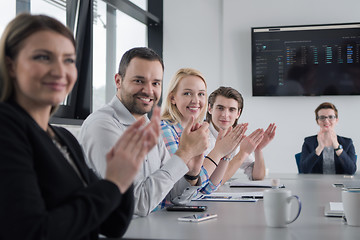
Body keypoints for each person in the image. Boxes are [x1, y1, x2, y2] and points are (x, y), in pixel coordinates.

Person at [0, 14, 160, 240]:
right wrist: (113, 183)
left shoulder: (63, 138)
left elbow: (112, 224)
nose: (59, 71)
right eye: (43, 57)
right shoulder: (6, 128)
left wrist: (124, 175)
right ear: (11, 65)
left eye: (68, 60)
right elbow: (32, 232)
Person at [79, 47, 209, 217]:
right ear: (118, 81)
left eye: (155, 83)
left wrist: (191, 174)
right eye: (139, 81)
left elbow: (172, 196)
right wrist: (184, 154)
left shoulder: (148, 126)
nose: (149, 90)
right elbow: (136, 204)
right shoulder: (102, 126)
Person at [161, 69, 245, 194]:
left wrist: (225, 156)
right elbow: (182, 189)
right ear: (172, 98)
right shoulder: (164, 129)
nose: (196, 101)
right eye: (187, 93)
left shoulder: (198, 131)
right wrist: (218, 152)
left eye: (201, 94)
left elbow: (207, 188)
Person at [205, 86, 276, 182]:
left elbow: (257, 176)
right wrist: (243, 153)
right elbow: (210, 181)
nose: (225, 115)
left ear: (238, 113)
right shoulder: (201, 135)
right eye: (220, 108)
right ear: (210, 108)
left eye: (231, 110)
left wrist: (257, 150)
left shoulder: (235, 136)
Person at [300, 102, 356, 174]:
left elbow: (351, 171)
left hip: (340, 184)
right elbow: (304, 170)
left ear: (336, 120)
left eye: (331, 117)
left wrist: (337, 146)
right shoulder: (308, 142)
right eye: (322, 117)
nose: (326, 121)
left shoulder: (347, 143)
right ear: (317, 121)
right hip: (316, 184)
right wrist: (320, 147)